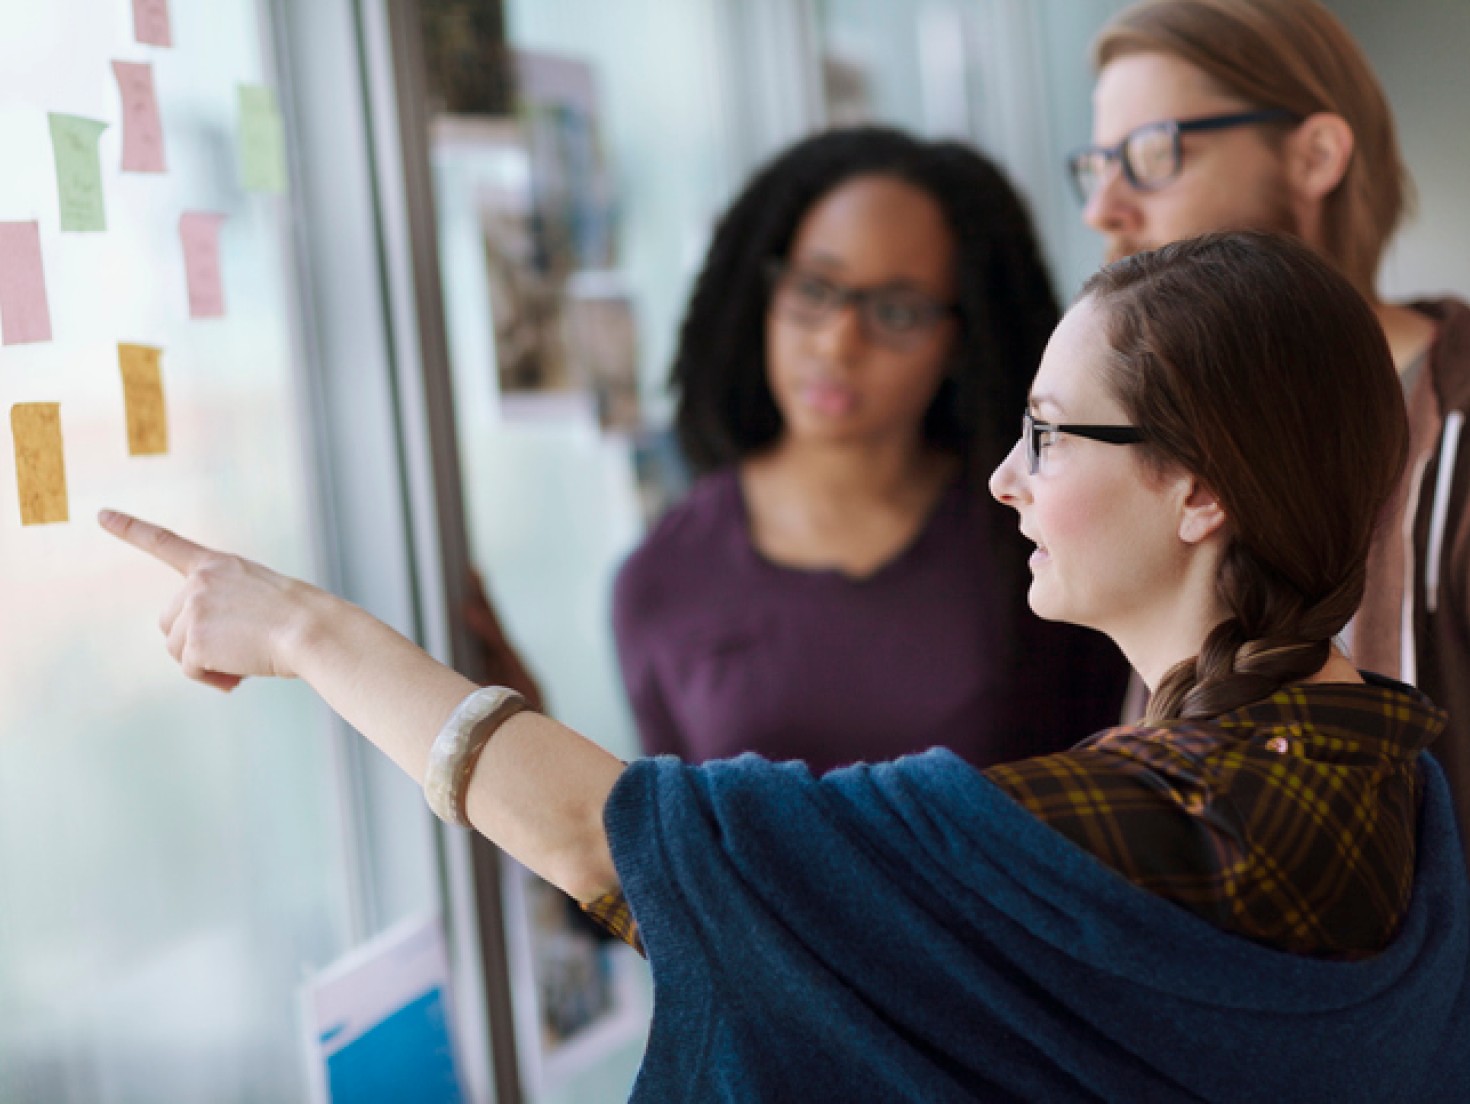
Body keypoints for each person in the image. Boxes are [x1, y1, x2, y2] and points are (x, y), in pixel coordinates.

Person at [102, 231, 1469, 1101]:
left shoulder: (1159, 822)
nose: (1006, 477)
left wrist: (306, 632)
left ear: (1200, 491)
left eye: (1051, 435)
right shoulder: (1393, 776)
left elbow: (617, 846)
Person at [1068, 0, 1470, 858]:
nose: (1104, 207)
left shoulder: (1458, 433)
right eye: (1098, 165)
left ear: (1315, 155)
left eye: (1153, 153)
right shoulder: (1156, 437)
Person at [614, 126, 1128, 773]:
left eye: (897, 311)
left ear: (963, 338)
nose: (838, 342)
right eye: (813, 289)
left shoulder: (1040, 537)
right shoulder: (663, 578)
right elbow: (668, 827)